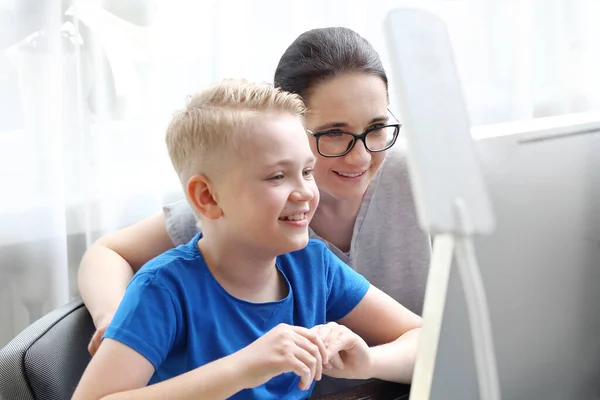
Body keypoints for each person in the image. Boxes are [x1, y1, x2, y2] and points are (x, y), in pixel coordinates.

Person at [78, 26, 431, 394]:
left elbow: (425, 338)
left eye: (306, 171)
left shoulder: (313, 265)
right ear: (209, 200)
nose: (304, 193)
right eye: (278, 175)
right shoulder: (166, 287)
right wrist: (244, 367)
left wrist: (366, 361)